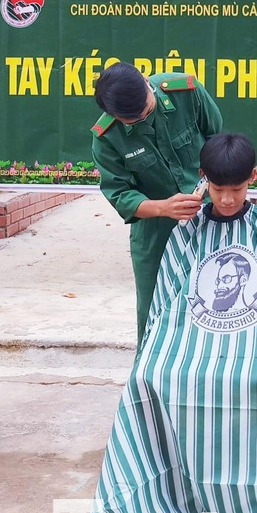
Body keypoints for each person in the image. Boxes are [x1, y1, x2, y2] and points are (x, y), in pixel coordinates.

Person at [86, 134, 257, 513]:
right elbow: (166, 306)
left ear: (253, 178)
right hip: (194, 345)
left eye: (237, 189)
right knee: (152, 376)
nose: (229, 199)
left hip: (255, 350)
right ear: (205, 180)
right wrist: (160, 352)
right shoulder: (186, 234)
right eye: (219, 190)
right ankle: (165, 496)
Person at [91, 62, 222, 342]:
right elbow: (120, 195)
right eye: (132, 121)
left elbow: (216, 137)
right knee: (155, 309)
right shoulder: (106, 138)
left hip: (210, 212)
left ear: (144, 80)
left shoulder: (185, 91)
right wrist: (165, 207)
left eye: (146, 110)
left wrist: (213, 184)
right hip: (155, 227)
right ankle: (151, 379)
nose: (142, 119)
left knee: (218, 296)